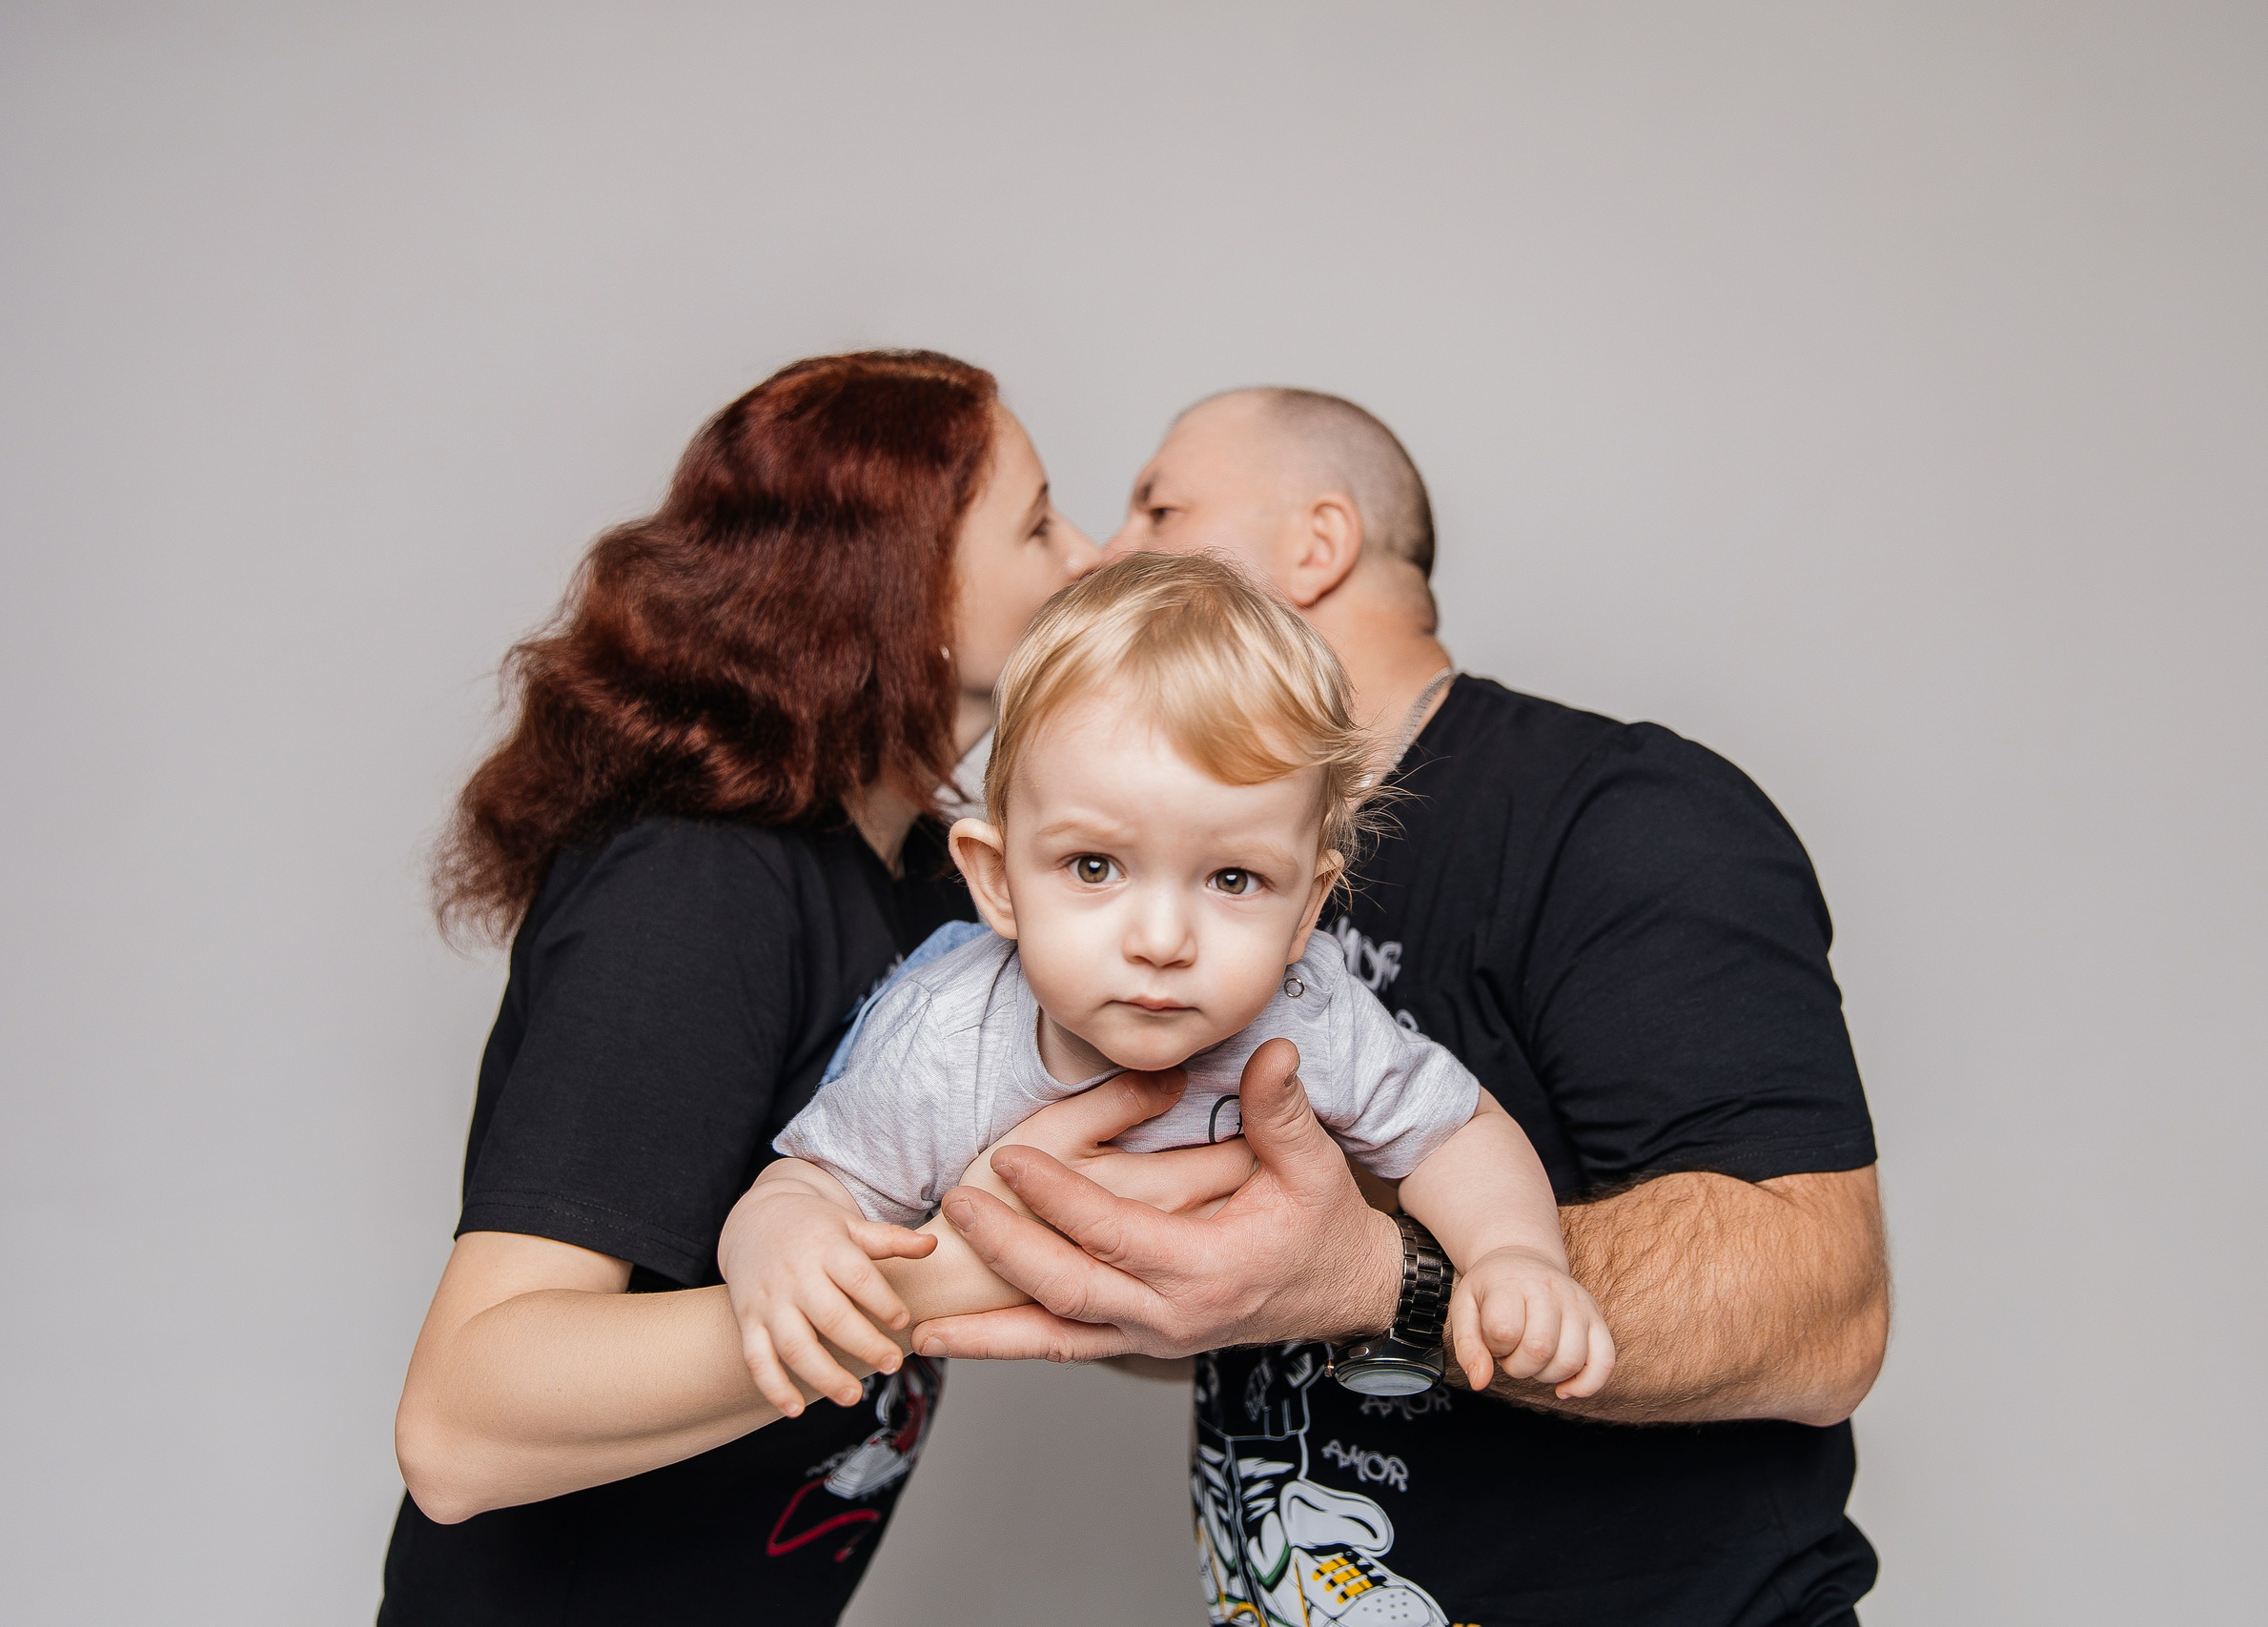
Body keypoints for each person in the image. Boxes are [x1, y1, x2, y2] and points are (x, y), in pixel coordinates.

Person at [903, 388, 1892, 1625]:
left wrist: (1385, 1275)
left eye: (1159, 504)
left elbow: (1821, 1304)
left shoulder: (1623, 816)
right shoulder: (1138, 894)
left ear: (1316, 547)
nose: (1101, 553)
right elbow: (1231, 1300)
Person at [380, 351, 1234, 1625]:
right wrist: (941, 1272)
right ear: (919, 589)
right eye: (1041, 518)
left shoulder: (945, 895)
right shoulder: (696, 884)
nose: (1092, 550)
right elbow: (459, 1425)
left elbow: (1063, 1237)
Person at [720, 551, 1616, 1425]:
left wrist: (1515, 1254)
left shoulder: (1311, 1012)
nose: (1160, 941)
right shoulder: (947, 1037)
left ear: (1307, 908)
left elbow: (1455, 1133)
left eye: (1232, 879)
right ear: (997, 879)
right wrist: (780, 1237)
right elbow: (814, 1184)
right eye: (1095, 864)